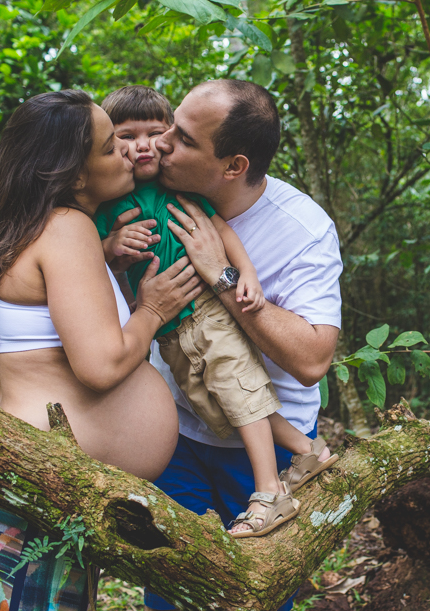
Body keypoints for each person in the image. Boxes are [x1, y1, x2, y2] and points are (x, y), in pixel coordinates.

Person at [0, 90, 203, 611]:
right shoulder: (66, 228)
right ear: (74, 174)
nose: (128, 152)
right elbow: (100, 365)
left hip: (38, 484)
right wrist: (152, 310)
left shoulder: (43, 229)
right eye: (110, 147)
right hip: (32, 487)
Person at [94, 85, 339, 538]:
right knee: (171, 580)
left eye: (183, 139)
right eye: (172, 126)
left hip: (256, 445)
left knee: (255, 586)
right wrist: (113, 260)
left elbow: (313, 360)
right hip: (173, 427)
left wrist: (222, 275)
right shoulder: (137, 191)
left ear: (234, 166)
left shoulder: (303, 231)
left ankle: (290, 468)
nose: (161, 143)